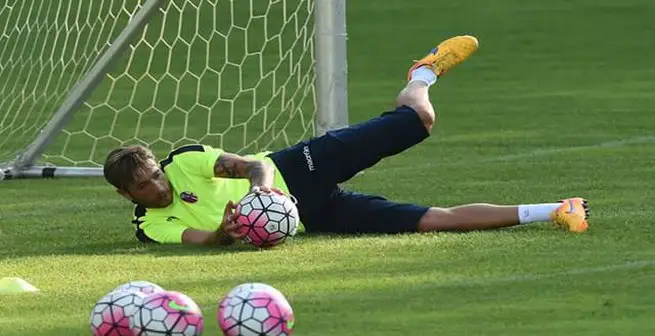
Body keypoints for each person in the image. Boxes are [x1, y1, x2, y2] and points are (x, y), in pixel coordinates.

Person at [103, 35, 589, 246]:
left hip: (295, 168)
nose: (158, 186)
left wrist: (259, 194)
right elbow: (199, 240)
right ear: (128, 196)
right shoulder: (150, 225)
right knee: (431, 223)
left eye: (154, 175)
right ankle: (557, 209)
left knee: (417, 120)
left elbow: (253, 166)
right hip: (309, 216)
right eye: (145, 187)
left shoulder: (184, 161)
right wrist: (227, 232)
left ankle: (423, 72)